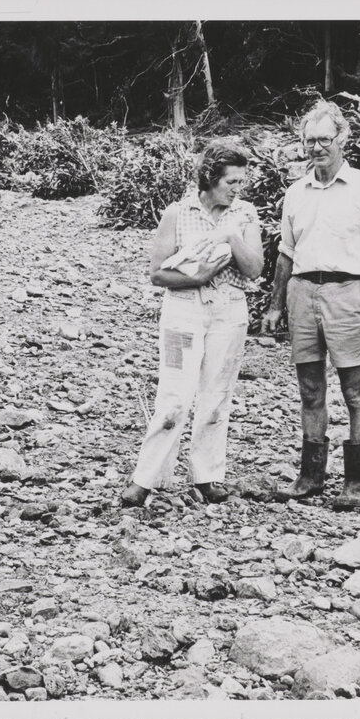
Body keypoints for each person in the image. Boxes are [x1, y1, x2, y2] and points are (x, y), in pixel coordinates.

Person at [261, 100, 360, 509]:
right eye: (310, 140)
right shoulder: (295, 192)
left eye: (325, 139)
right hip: (303, 292)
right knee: (309, 389)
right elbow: (286, 253)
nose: (317, 147)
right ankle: (310, 477)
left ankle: (357, 482)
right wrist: (274, 305)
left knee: (355, 390)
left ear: (343, 138)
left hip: (348, 292)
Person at [121, 141, 264, 507]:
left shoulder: (245, 215)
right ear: (210, 178)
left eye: (241, 181)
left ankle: (208, 475)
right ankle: (146, 477)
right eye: (231, 181)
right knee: (174, 396)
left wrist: (231, 236)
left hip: (229, 310)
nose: (237, 189)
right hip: (183, 309)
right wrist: (196, 277)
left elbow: (254, 270)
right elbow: (157, 273)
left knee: (217, 395)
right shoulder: (177, 212)